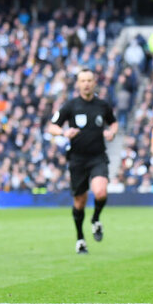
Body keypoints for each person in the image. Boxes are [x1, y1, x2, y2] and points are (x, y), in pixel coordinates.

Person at [48, 68, 118, 254]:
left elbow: (113, 122)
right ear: (78, 84)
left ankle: (95, 219)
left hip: (97, 157)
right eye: (83, 80)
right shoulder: (70, 106)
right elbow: (52, 126)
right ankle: (80, 238)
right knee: (79, 202)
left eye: (89, 80)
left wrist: (112, 132)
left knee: (100, 192)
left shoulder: (102, 105)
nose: (86, 83)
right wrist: (64, 132)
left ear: (94, 83)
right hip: (77, 160)